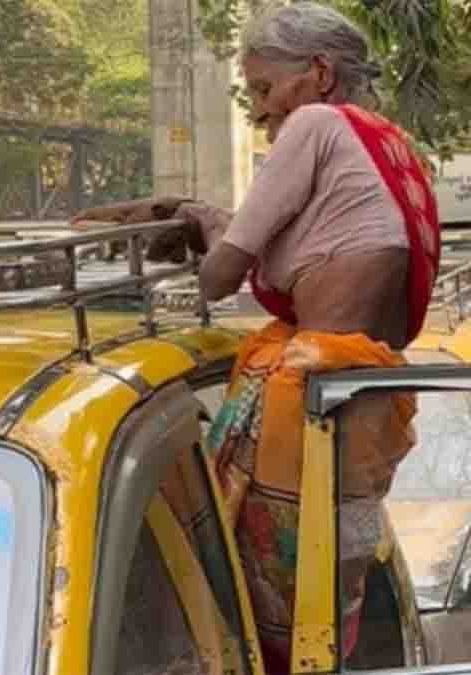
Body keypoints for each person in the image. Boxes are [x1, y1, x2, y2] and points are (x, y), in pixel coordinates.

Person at [73, 3, 439, 671]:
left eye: (266, 89)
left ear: (320, 75)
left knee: (250, 606)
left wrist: (206, 224)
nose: (261, 113)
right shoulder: (382, 137)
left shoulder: (316, 125)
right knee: (326, 604)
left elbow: (218, 277)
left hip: (309, 402)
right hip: (364, 396)